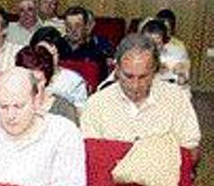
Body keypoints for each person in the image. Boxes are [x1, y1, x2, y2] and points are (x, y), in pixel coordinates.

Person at [81, 34, 201, 163]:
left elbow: (192, 151)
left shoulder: (176, 99)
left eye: (143, 77)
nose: (135, 85)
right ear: (117, 69)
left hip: (162, 179)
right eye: (128, 76)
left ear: (155, 70)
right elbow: (90, 155)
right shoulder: (96, 103)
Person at [12, 45, 79, 125]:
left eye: (38, 81)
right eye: (25, 81)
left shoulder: (64, 110)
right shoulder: (2, 103)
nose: (32, 88)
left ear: (48, 80)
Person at [29, 26, 88, 109]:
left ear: (58, 55)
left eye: (49, 55)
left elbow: (81, 112)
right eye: (40, 55)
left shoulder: (74, 81)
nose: (45, 60)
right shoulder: (25, 76)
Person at [62, 6, 112, 83]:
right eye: (69, 26)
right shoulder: (57, 48)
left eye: (78, 25)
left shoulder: (97, 52)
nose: (73, 30)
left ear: (86, 27)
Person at [140, 18, 190, 86]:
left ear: (164, 42)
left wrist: (181, 74)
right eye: (148, 43)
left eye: (157, 43)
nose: (153, 47)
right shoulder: (136, 55)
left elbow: (183, 82)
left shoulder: (177, 53)